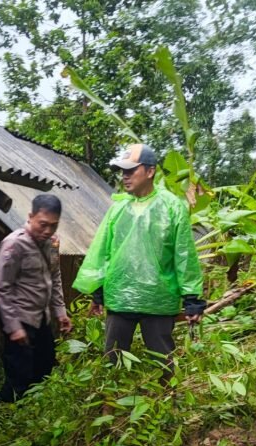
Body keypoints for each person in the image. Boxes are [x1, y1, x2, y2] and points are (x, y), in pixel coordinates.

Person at [73, 143, 205, 361]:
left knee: (162, 361)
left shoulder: (172, 207)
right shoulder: (118, 209)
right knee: (113, 359)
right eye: (122, 171)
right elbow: (103, 251)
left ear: (150, 171)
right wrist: (97, 291)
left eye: (131, 170)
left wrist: (191, 299)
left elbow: (184, 255)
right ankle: (111, 396)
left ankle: (166, 394)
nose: (125, 176)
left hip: (158, 299)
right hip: (119, 298)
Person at [0, 194, 72, 403]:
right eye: (42, 225)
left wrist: (60, 313)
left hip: (42, 318)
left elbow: (55, 276)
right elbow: (1, 288)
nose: (47, 231)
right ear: (30, 216)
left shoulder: (52, 243)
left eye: (53, 226)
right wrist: (14, 327)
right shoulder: (13, 245)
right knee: (19, 374)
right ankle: (3, 414)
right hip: (20, 319)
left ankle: (30, 415)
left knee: (45, 367)